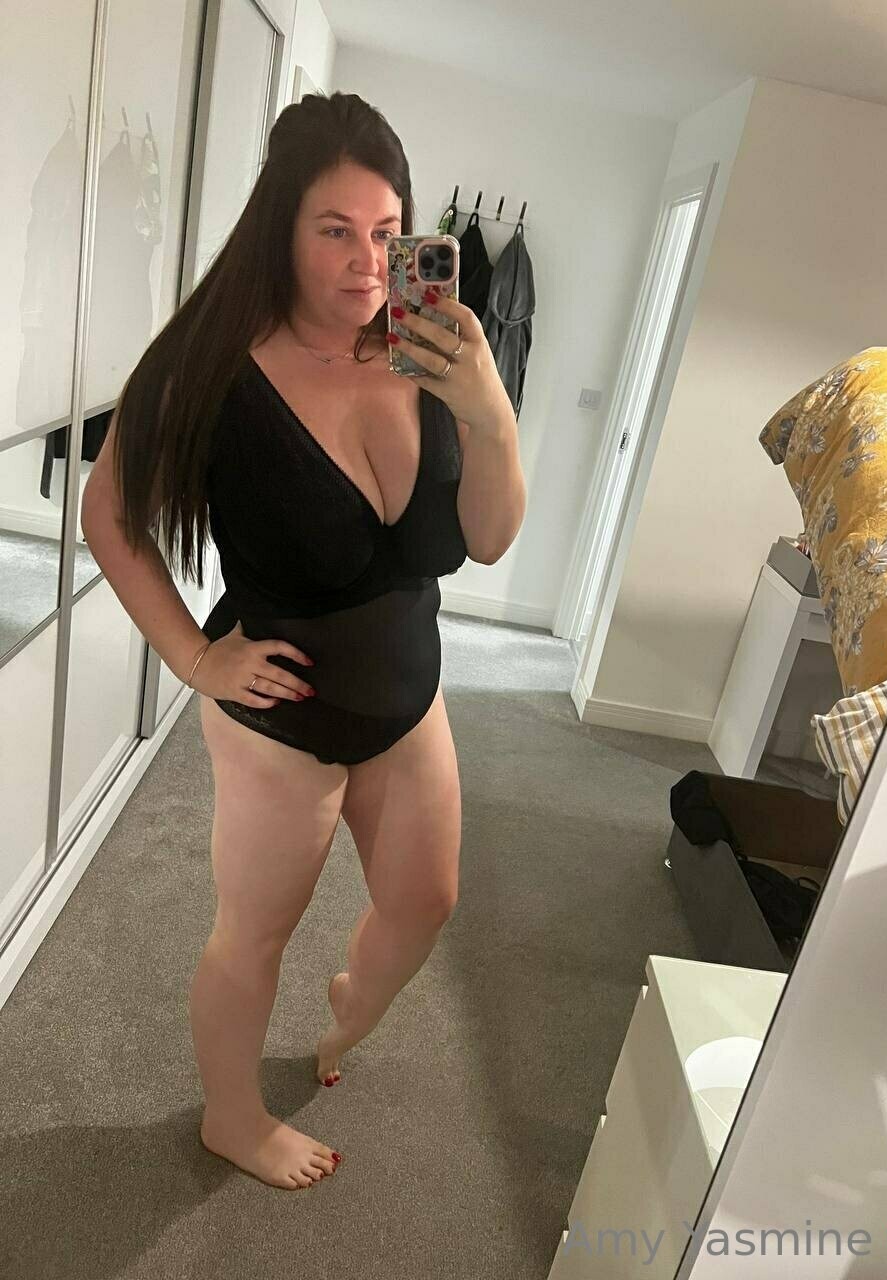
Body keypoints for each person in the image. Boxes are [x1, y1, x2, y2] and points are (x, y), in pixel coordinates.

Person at [79, 91, 526, 1191]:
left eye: (385, 231)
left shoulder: (431, 353)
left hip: (408, 696)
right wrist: (194, 659)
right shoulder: (212, 363)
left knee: (425, 901)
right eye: (336, 230)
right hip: (278, 716)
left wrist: (490, 411)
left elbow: (487, 539)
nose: (368, 261)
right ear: (280, 226)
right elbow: (109, 516)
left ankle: (348, 1009)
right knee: (254, 936)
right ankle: (231, 1117)